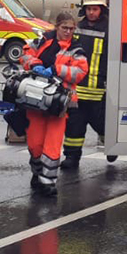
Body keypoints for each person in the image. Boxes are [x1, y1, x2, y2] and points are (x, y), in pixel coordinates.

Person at [19, 12, 88, 196]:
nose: (68, 32)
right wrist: (34, 64)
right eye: (65, 28)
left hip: (59, 104)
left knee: (53, 143)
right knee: (35, 143)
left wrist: (56, 69)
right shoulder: (43, 41)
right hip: (36, 99)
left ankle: (48, 182)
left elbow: (80, 71)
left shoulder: (76, 49)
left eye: (71, 29)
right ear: (56, 27)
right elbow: (25, 55)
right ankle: (37, 173)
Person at [61, 0, 116, 169]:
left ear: (102, 9)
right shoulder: (77, 28)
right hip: (77, 90)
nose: (91, 12)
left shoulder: (111, 29)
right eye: (89, 9)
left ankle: (111, 145)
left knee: (101, 124)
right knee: (74, 125)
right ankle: (72, 157)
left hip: (99, 89)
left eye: (95, 9)